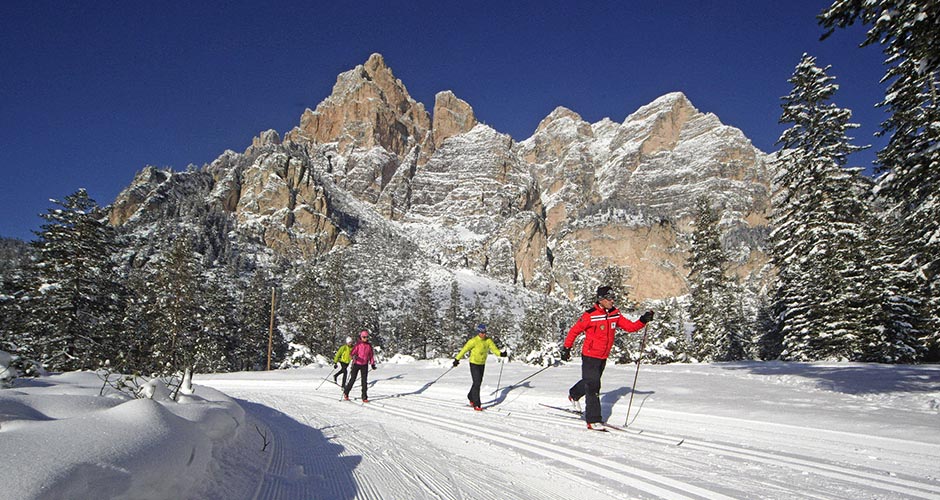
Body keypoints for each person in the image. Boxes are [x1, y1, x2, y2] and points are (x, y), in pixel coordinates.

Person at [561, 286, 653, 431]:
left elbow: (630, 327)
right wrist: (566, 348)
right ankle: (593, 420)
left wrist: (643, 320)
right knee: (593, 386)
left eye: (613, 298)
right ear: (601, 299)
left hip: (603, 356)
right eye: (609, 298)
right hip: (590, 356)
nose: (612, 301)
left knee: (590, 381)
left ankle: (574, 394)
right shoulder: (590, 315)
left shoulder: (615, 314)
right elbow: (574, 331)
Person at [453, 323, 507, 411]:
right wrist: (457, 359)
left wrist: (501, 354)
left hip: (482, 364)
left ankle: (470, 396)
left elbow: (494, 349)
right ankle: (477, 404)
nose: (484, 334)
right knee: (477, 382)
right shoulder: (473, 341)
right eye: (482, 332)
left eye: (485, 332)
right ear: (478, 332)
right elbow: (464, 350)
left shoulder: (488, 341)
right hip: (474, 363)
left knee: (477, 382)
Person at [343, 330, 377, 402]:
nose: (365, 338)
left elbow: (371, 355)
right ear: (361, 337)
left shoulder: (369, 346)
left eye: (367, 337)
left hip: (364, 365)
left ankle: (364, 397)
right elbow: (351, 354)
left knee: (364, 381)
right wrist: (354, 356)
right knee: (353, 379)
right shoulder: (358, 345)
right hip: (356, 364)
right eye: (364, 337)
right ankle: (346, 392)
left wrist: (372, 364)